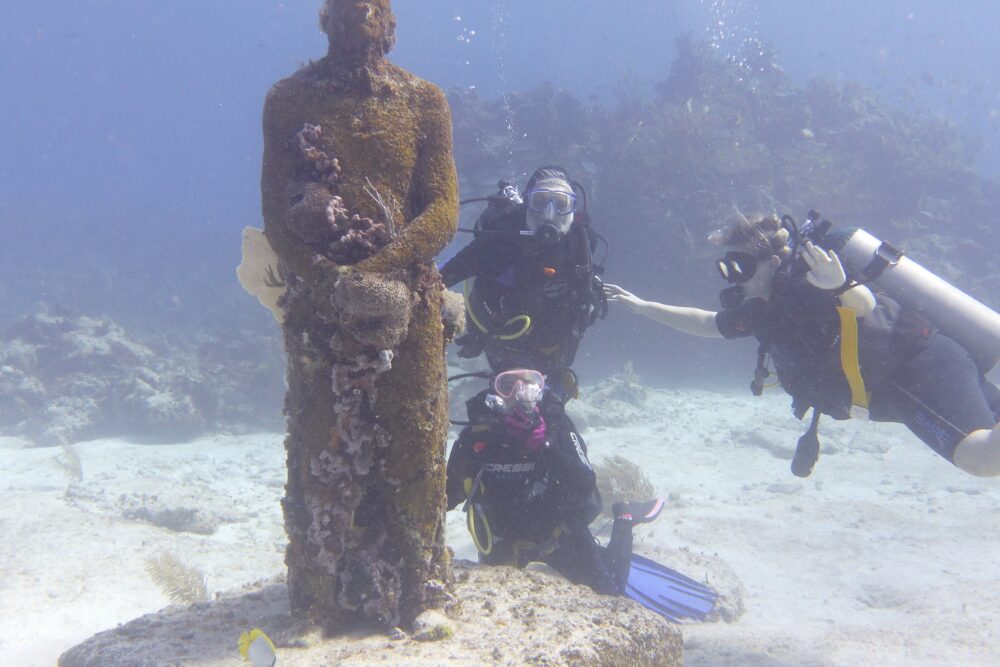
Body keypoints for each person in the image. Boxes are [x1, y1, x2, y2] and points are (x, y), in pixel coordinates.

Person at [604, 213, 1000, 478]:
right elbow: (707, 323)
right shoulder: (765, 310)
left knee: (981, 458)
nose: (733, 279)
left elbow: (865, 305)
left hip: (918, 373)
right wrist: (642, 307)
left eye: (740, 267)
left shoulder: (808, 278)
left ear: (772, 261)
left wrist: (839, 285)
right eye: (726, 268)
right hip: (893, 390)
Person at [446, 368, 717, 621]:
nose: (519, 393)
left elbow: (584, 482)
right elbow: (448, 494)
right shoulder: (476, 438)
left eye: (529, 384)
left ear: (541, 388)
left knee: (612, 597)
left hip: (559, 535)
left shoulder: (556, 425)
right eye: (507, 385)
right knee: (494, 612)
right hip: (501, 541)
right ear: (494, 391)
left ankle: (624, 516)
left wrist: (548, 446)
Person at [440, 167, 607, 402]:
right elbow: (442, 277)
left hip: (552, 353)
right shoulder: (501, 238)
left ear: (573, 210)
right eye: (540, 202)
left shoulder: (580, 244)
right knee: (507, 405)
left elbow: (582, 307)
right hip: (500, 342)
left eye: (561, 203)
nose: (550, 214)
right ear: (526, 205)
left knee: (545, 411)